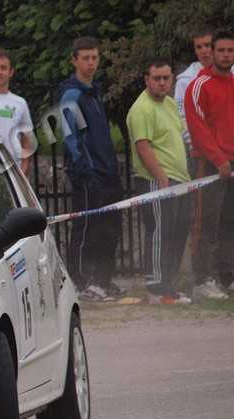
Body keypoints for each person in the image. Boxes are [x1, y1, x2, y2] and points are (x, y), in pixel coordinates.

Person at [57, 36, 125, 301]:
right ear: (74, 60)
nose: (90, 63)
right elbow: (70, 135)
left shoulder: (94, 91)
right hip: (87, 174)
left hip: (107, 172)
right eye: (85, 58)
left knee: (110, 228)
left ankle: (103, 280)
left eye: (94, 58)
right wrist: (84, 170)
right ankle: (82, 282)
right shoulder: (71, 93)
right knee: (86, 228)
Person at [126, 59, 192, 305]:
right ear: (147, 79)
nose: (162, 82)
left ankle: (169, 284)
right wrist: (162, 179)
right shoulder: (141, 109)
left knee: (177, 230)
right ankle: (156, 287)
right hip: (157, 182)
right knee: (159, 230)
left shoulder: (170, 104)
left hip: (180, 180)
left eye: (166, 78)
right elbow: (143, 147)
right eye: (157, 78)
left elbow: (179, 137)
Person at [185, 30, 234, 299]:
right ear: (212, 53)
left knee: (229, 221)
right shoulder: (199, 85)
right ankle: (203, 279)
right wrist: (219, 159)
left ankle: (227, 277)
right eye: (222, 50)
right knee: (205, 222)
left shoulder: (233, 83)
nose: (226, 55)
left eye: (230, 51)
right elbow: (198, 128)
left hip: (231, 162)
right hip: (209, 164)